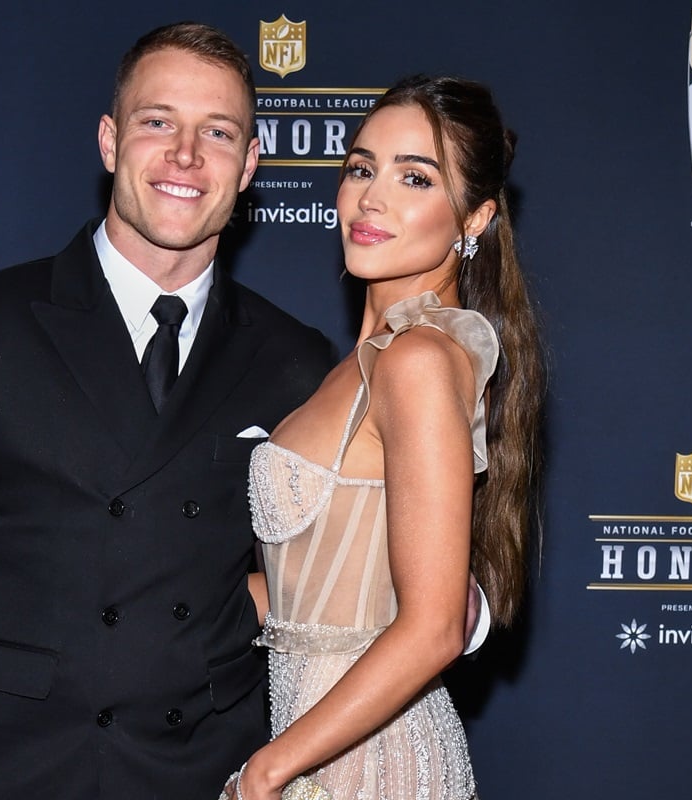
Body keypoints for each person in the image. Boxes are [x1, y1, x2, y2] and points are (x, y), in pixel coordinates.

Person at [0, 23, 336, 798]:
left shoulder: (297, 360)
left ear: (248, 166)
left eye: (217, 132)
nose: (185, 156)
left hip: (206, 772)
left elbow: (332, 573)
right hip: (11, 769)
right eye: (157, 122)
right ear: (110, 142)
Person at [223, 75, 544, 800]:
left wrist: (266, 774)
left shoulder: (420, 360)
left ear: (476, 218)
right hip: (316, 744)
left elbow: (433, 629)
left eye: (415, 178)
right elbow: (318, 596)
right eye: (362, 169)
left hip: (372, 763)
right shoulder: (357, 364)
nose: (372, 198)